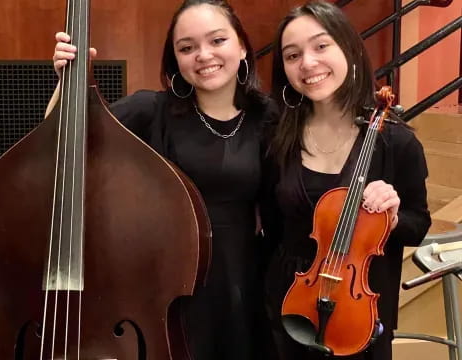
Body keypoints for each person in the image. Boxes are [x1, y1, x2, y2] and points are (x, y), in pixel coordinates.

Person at [48, 0, 276, 358]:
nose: (203, 55)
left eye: (217, 41)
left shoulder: (267, 117)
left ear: (242, 46)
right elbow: (61, 140)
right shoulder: (150, 110)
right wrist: (68, 83)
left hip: (242, 281)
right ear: (175, 59)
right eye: (187, 47)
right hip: (164, 284)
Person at [260, 1, 431, 360]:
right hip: (288, 301)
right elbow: (272, 226)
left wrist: (392, 215)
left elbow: (418, 225)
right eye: (292, 56)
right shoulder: (278, 137)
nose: (307, 63)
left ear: (350, 50)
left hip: (359, 309)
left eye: (321, 46)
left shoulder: (396, 142)